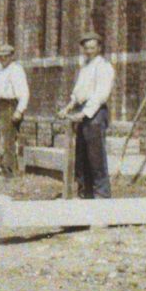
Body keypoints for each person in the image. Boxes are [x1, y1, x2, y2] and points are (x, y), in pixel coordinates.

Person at [64, 32, 115, 199]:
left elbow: (101, 94)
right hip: (83, 111)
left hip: (95, 113)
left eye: (93, 47)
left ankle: (102, 195)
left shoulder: (104, 67)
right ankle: (85, 194)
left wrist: (85, 114)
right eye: (86, 48)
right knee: (82, 156)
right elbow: (79, 92)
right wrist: (69, 106)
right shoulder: (85, 67)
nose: (89, 51)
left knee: (96, 157)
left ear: (99, 48)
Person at [0, 42, 29, 179]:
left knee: (7, 141)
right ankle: (6, 170)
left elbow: (24, 92)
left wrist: (19, 110)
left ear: (11, 56)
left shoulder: (15, 70)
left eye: (6, 56)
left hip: (8, 107)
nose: (3, 59)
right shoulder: (2, 71)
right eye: (0, 56)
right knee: (1, 141)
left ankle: (9, 174)